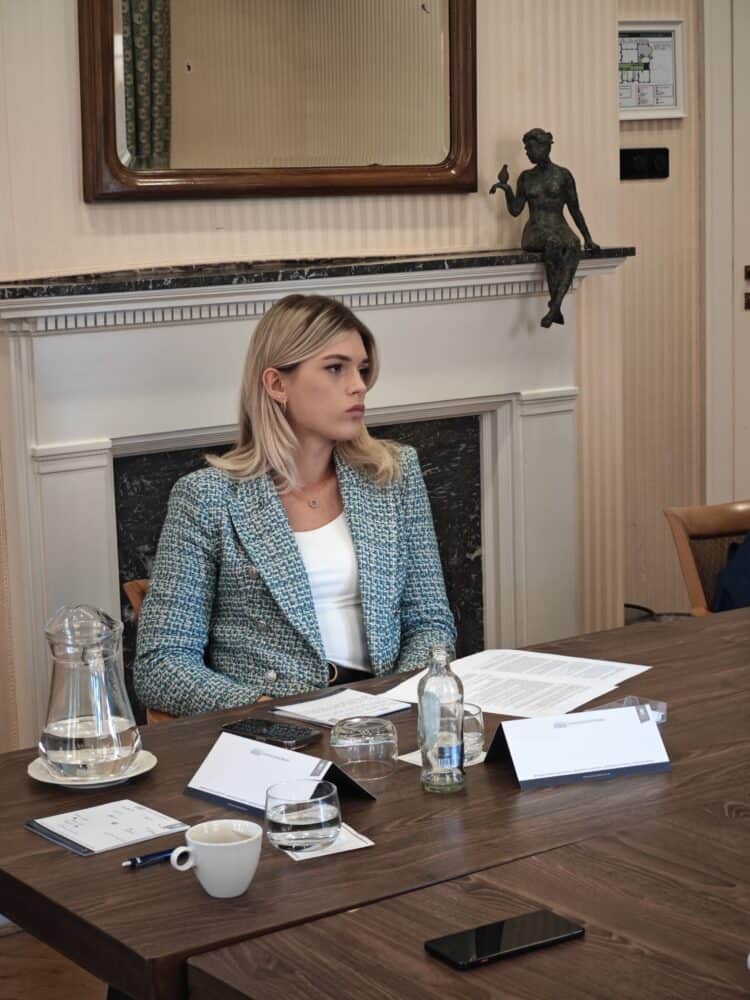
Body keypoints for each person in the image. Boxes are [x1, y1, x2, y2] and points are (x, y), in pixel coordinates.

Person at [133, 294, 456, 716]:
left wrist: (398, 701)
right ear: (276, 384)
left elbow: (430, 621)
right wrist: (264, 710)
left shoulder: (393, 475)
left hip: (388, 713)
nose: (358, 385)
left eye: (361, 369)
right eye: (335, 368)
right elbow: (161, 665)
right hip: (275, 728)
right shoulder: (207, 497)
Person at [490, 127, 599, 328]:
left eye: (530, 148)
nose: (528, 152)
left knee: (574, 243)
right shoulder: (525, 177)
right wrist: (506, 189)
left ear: (544, 147)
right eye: (525, 149)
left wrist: (587, 237)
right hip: (535, 230)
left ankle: (555, 306)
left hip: (560, 225)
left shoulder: (564, 175)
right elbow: (515, 210)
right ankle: (555, 306)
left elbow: (575, 209)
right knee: (553, 242)